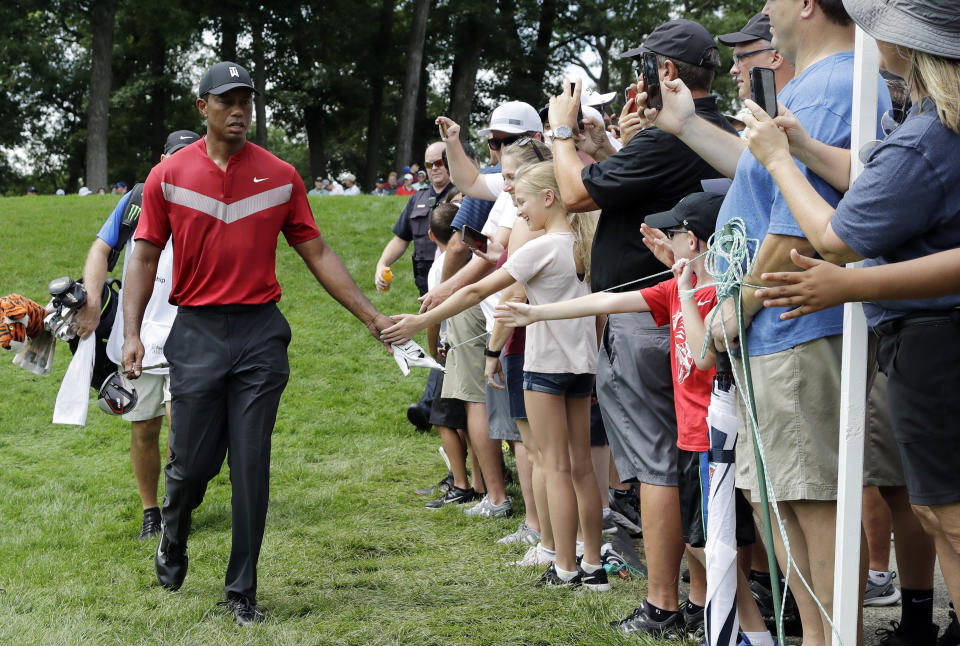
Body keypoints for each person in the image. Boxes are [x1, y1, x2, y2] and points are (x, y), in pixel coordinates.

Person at [120, 61, 393, 626]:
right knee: (192, 465)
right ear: (203, 108)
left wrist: (369, 315)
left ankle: (242, 588)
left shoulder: (281, 175)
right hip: (193, 332)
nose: (239, 110)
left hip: (259, 335)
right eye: (227, 101)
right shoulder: (168, 176)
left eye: (246, 99)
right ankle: (174, 531)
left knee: (250, 464)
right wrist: (130, 334)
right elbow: (144, 254)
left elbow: (316, 250)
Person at [742, 1, 960, 643]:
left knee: (948, 512)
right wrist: (803, 145)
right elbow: (875, 185)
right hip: (927, 339)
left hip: (934, 341)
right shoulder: (930, 124)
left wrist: (781, 164)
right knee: (934, 508)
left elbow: (836, 237)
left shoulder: (928, 135)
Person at [497, 191, 775, 645]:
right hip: (690, 441)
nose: (664, 242)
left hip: (715, 443)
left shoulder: (719, 295)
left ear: (695, 241)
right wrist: (536, 312)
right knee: (703, 543)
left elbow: (704, 357)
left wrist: (683, 288)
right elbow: (603, 303)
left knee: (712, 544)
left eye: (672, 234)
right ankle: (745, 629)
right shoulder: (678, 287)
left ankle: (753, 632)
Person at [549, 18, 733, 637]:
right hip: (706, 317)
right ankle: (712, 596)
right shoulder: (722, 131)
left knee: (657, 462)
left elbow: (574, 195)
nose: (638, 81)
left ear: (668, 73)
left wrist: (560, 131)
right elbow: (627, 190)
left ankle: (663, 603)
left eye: (645, 68)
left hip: (649, 318)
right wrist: (605, 147)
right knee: (699, 460)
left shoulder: (666, 140)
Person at [382, 161, 609, 591]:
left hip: (545, 369)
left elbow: (475, 291)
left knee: (557, 468)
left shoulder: (542, 247)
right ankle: (593, 568)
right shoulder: (584, 245)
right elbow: (596, 313)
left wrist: (416, 321)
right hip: (582, 369)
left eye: (521, 201)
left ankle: (563, 567)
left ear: (549, 198)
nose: (518, 211)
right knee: (581, 468)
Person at [74, 129, 201, 541]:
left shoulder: (206, 200)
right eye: (173, 156)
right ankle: (152, 512)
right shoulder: (137, 200)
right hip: (138, 337)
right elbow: (100, 250)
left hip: (191, 336)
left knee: (181, 428)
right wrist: (93, 301)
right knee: (144, 428)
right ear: (162, 158)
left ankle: (175, 505)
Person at [374, 141, 455, 430]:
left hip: (454, 280)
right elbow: (401, 237)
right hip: (425, 281)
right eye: (430, 163)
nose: (435, 168)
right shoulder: (417, 199)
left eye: (441, 162)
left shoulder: (463, 195)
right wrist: (383, 263)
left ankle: (430, 407)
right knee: (443, 340)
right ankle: (441, 407)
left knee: (446, 340)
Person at [716, 13, 794, 108]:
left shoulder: (802, 108)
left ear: (775, 59)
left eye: (741, 57)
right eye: (735, 60)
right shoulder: (790, 107)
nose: (733, 70)